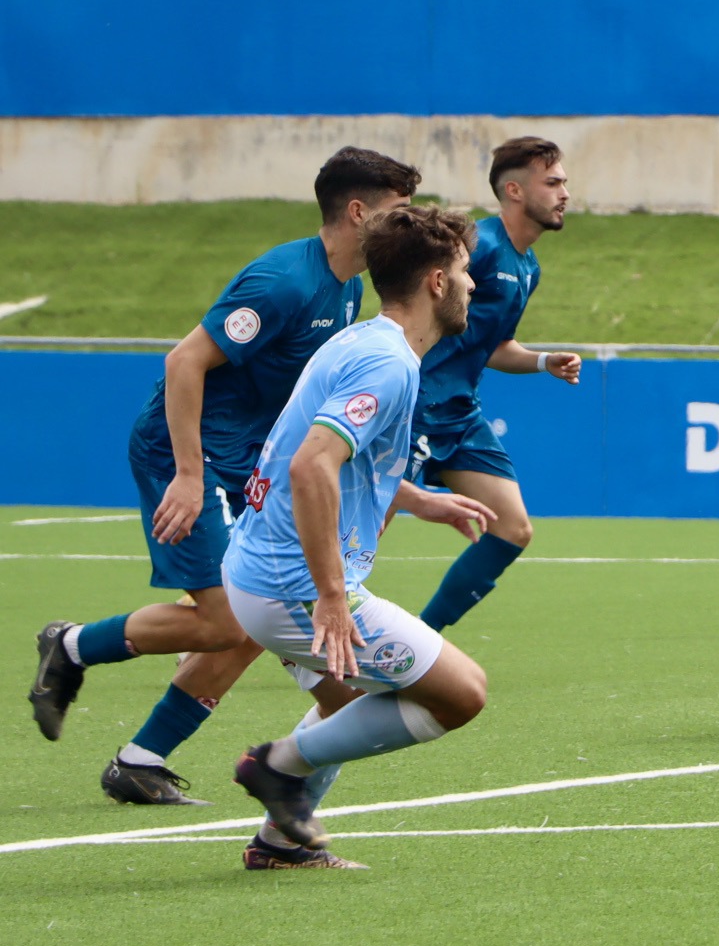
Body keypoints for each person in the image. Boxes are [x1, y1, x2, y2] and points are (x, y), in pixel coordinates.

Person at [25, 147, 415, 806]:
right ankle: (71, 646)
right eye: (397, 212)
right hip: (186, 450)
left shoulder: (349, 289)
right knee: (227, 622)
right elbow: (184, 363)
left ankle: (141, 759)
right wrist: (186, 473)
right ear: (358, 212)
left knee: (252, 621)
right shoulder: (284, 282)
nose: (406, 225)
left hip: (245, 460)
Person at [222, 205, 499, 869]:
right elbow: (311, 461)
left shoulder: (361, 341)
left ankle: (281, 844)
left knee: (350, 705)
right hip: (289, 581)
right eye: (463, 272)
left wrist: (414, 499)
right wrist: (331, 595)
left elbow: (330, 457)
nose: (472, 286)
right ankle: (277, 767)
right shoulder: (388, 363)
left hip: (260, 570)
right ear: (435, 281)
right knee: (462, 693)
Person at [408, 137, 582, 633]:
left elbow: (495, 346)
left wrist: (544, 361)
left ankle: (420, 641)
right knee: (359, 531)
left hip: (459, 412)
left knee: (513, 527)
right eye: (552, 182)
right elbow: (411, 305)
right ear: (513, 190)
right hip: (413, 403)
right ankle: (245, 620)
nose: (565, 192)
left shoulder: (528, 267)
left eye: (564, 181)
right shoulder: (478, 245)